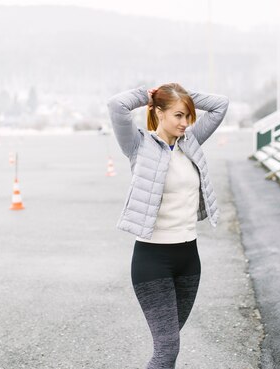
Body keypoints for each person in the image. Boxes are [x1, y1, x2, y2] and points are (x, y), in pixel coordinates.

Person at [106, 83, 229, 368]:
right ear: (158, 113)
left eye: (188, 115)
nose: (185, 123)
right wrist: (148, 94)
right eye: (178, 115)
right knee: (167, 348)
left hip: (189, 259)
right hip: (153, 261)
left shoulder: (190, 141)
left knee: (169, 343)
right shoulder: (139, 146)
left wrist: (181, 94)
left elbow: (221, 104)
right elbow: (116, 106)